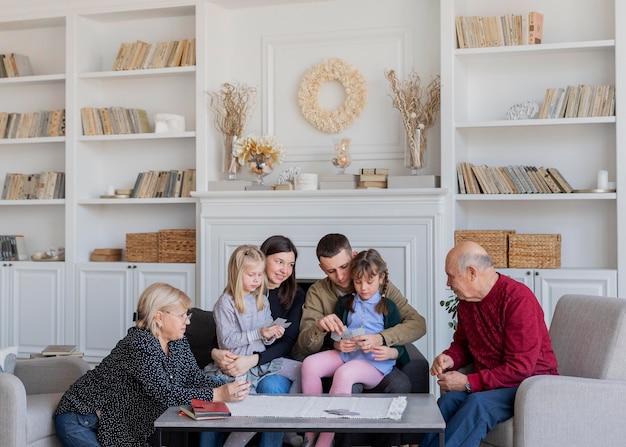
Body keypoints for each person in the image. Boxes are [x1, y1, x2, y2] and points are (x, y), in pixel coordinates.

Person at [54, 282, 250, 447]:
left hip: (112, 420)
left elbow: (193, 377)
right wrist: (218, 394)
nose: (187, 322)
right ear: (159, 317)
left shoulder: (178, 341)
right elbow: (164, 392)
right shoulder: (140, 343)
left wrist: (229, 389)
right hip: (81, 418)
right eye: (182, 315)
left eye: (187, 315)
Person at [419, 241, 559, 447]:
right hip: (494, 384)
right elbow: (463, 344)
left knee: (478, 405)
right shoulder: (467, 303)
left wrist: (468, 382)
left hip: (529, 385)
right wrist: (450, 357)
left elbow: (520, 369)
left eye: (451, 276)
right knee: (447, 402)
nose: (448, 283)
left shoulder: (518, 300)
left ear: (471, 273)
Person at [294, 233, 426, 447]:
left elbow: (418, 324)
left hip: (373, 360)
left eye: (344, 266)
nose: (340, 276)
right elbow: (303, 345)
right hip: (342, 354)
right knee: (329, 372)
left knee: (400, 382)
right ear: (321, 269)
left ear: (354, 256)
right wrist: (321, 328)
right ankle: (312, 434)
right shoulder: (319, 292)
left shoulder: (382, 288)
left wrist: (382, 339)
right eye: (331, 271)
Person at [204, 235, 305, 447]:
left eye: (291, 264)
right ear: (263, 257)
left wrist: (269, 333)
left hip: (266, 361)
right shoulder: (232, 300)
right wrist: (216, 352)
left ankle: (289, 430)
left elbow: (285, 341)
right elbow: (224, 338)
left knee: (305, 371)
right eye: (279, 262)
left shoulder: (278, 297)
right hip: (239, 364)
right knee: (247, 410)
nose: (285, 270)